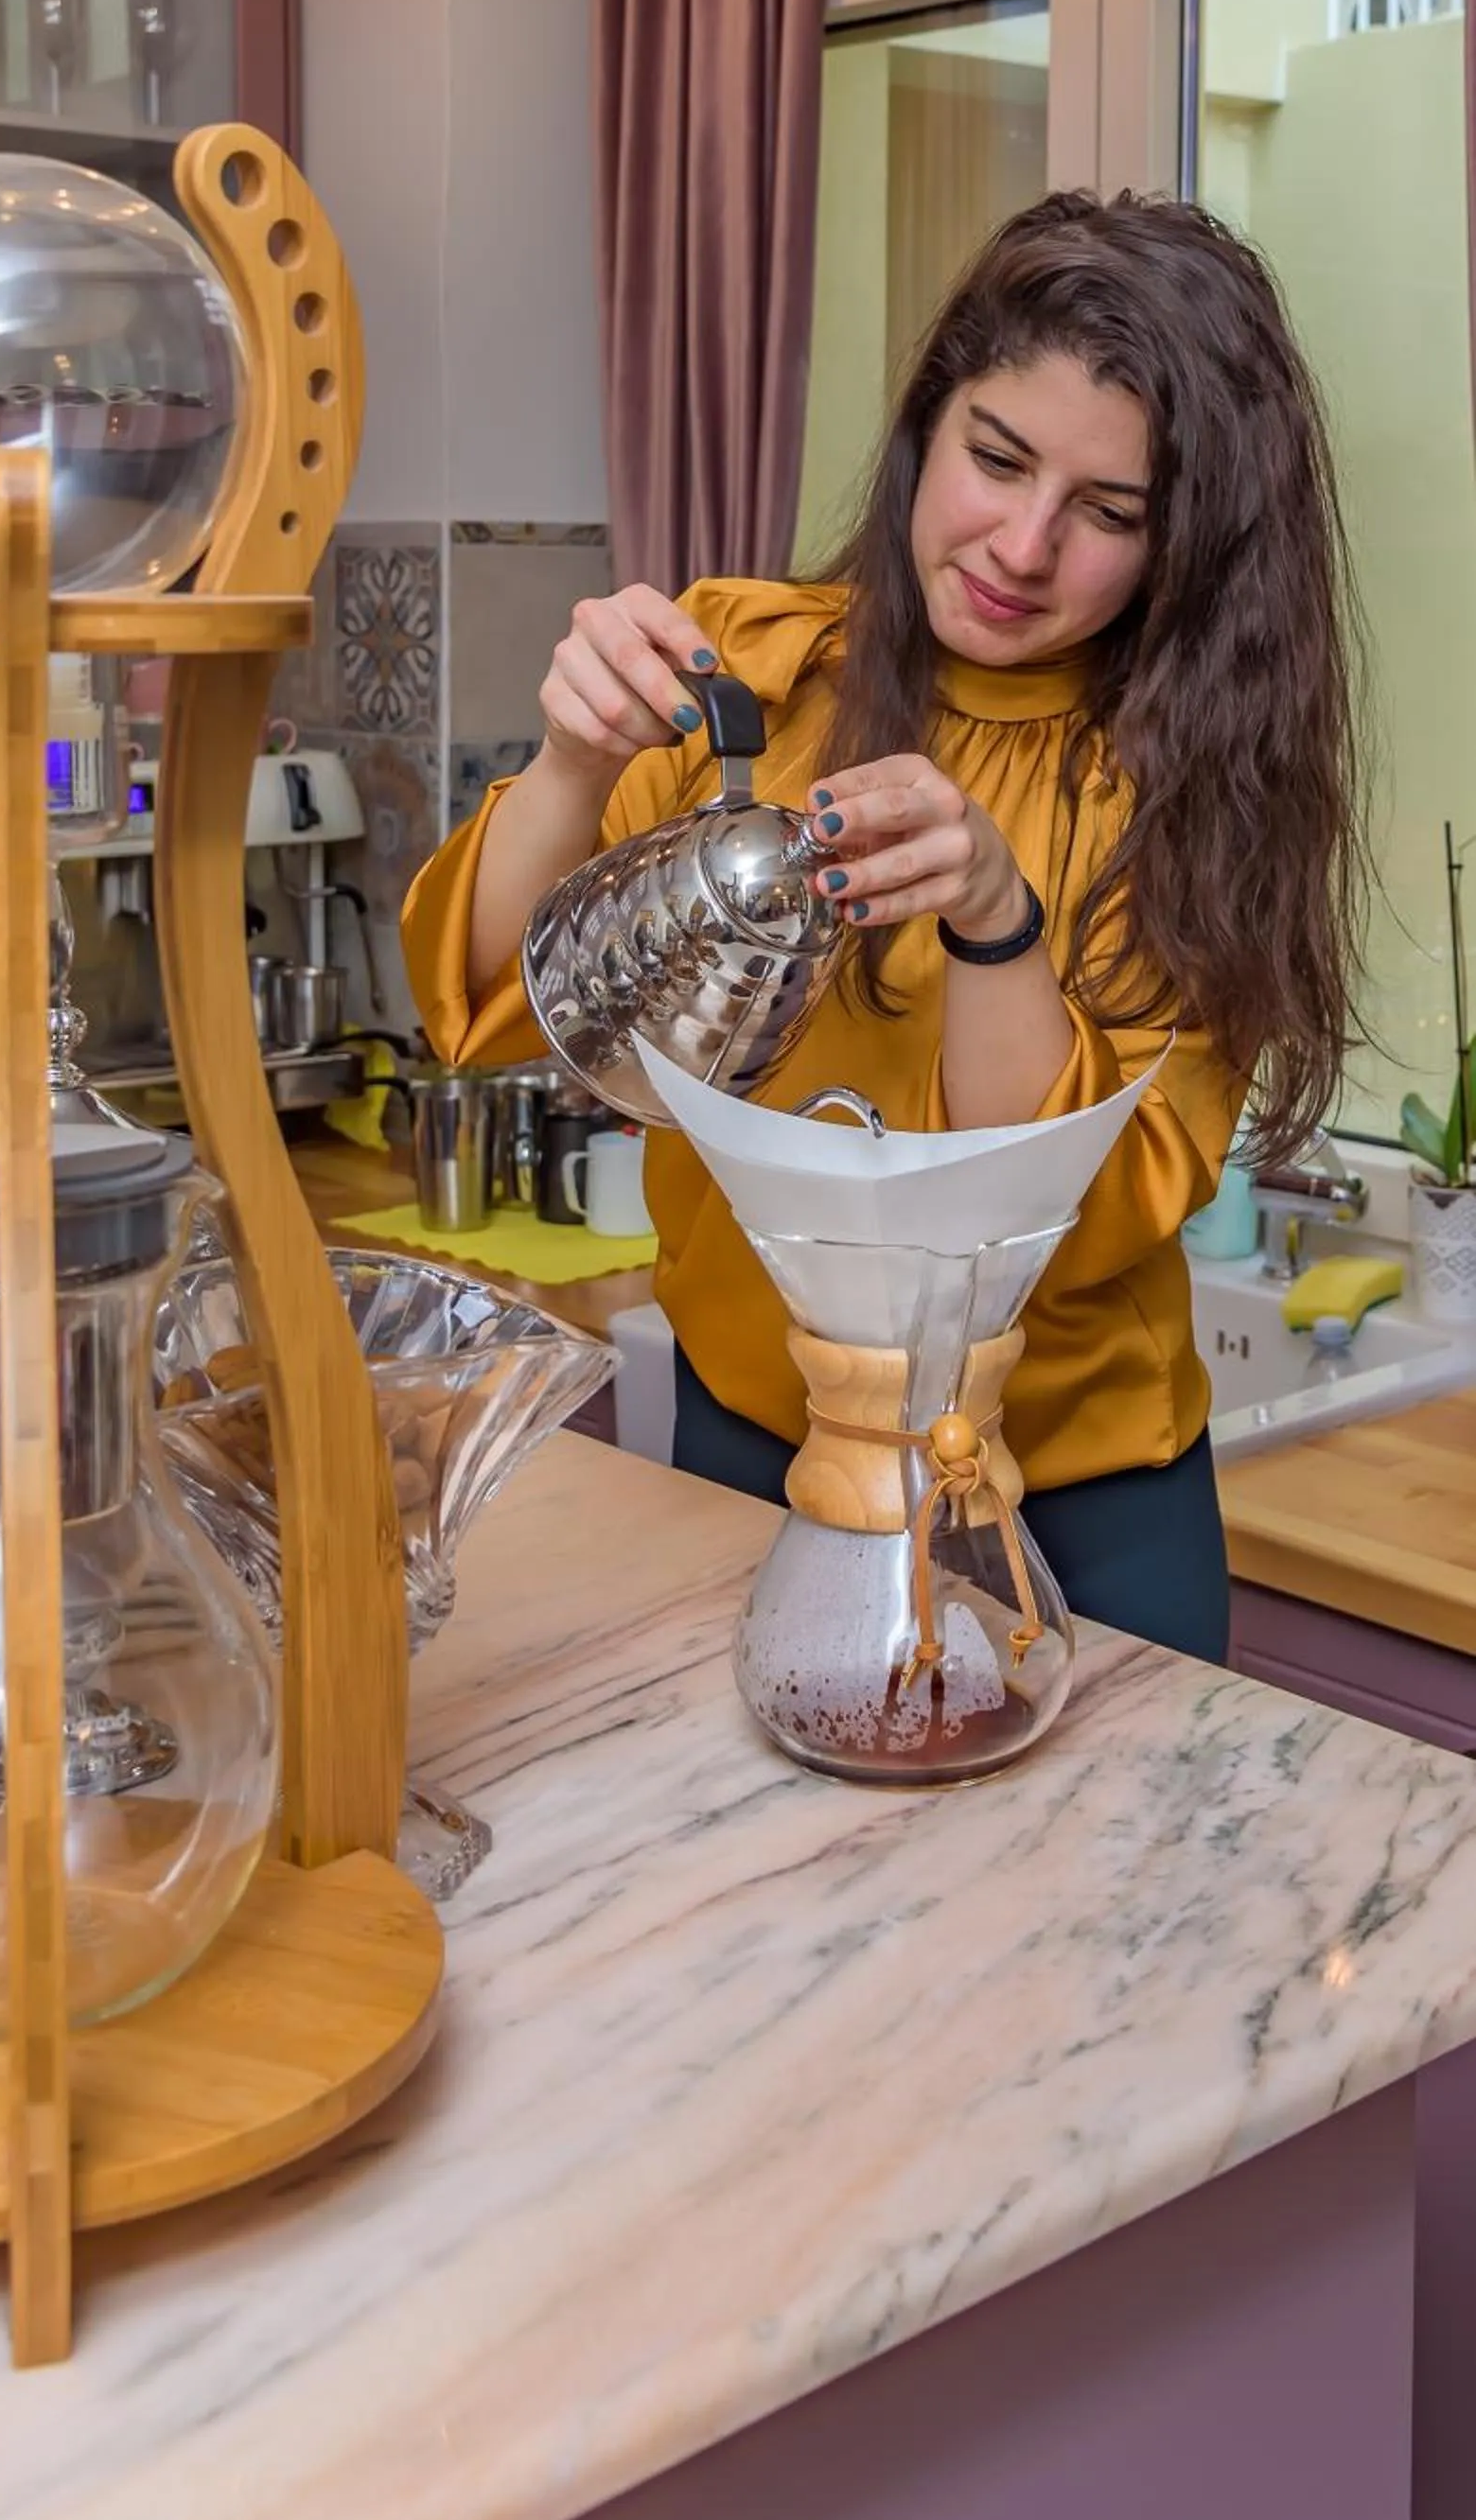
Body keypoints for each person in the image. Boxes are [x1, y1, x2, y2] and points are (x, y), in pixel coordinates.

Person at [401, 192, 1365, 1663]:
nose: (1022, 546)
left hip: (1077, 1516)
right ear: (929, 423)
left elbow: (1043, 1228)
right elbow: (491, 1002)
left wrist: (995, 925)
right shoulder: (754, 676)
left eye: (1106, 514)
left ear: (1185, 547)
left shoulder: (1189, 800)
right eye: (994, 459)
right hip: (747, 1455)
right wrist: (572, 758)